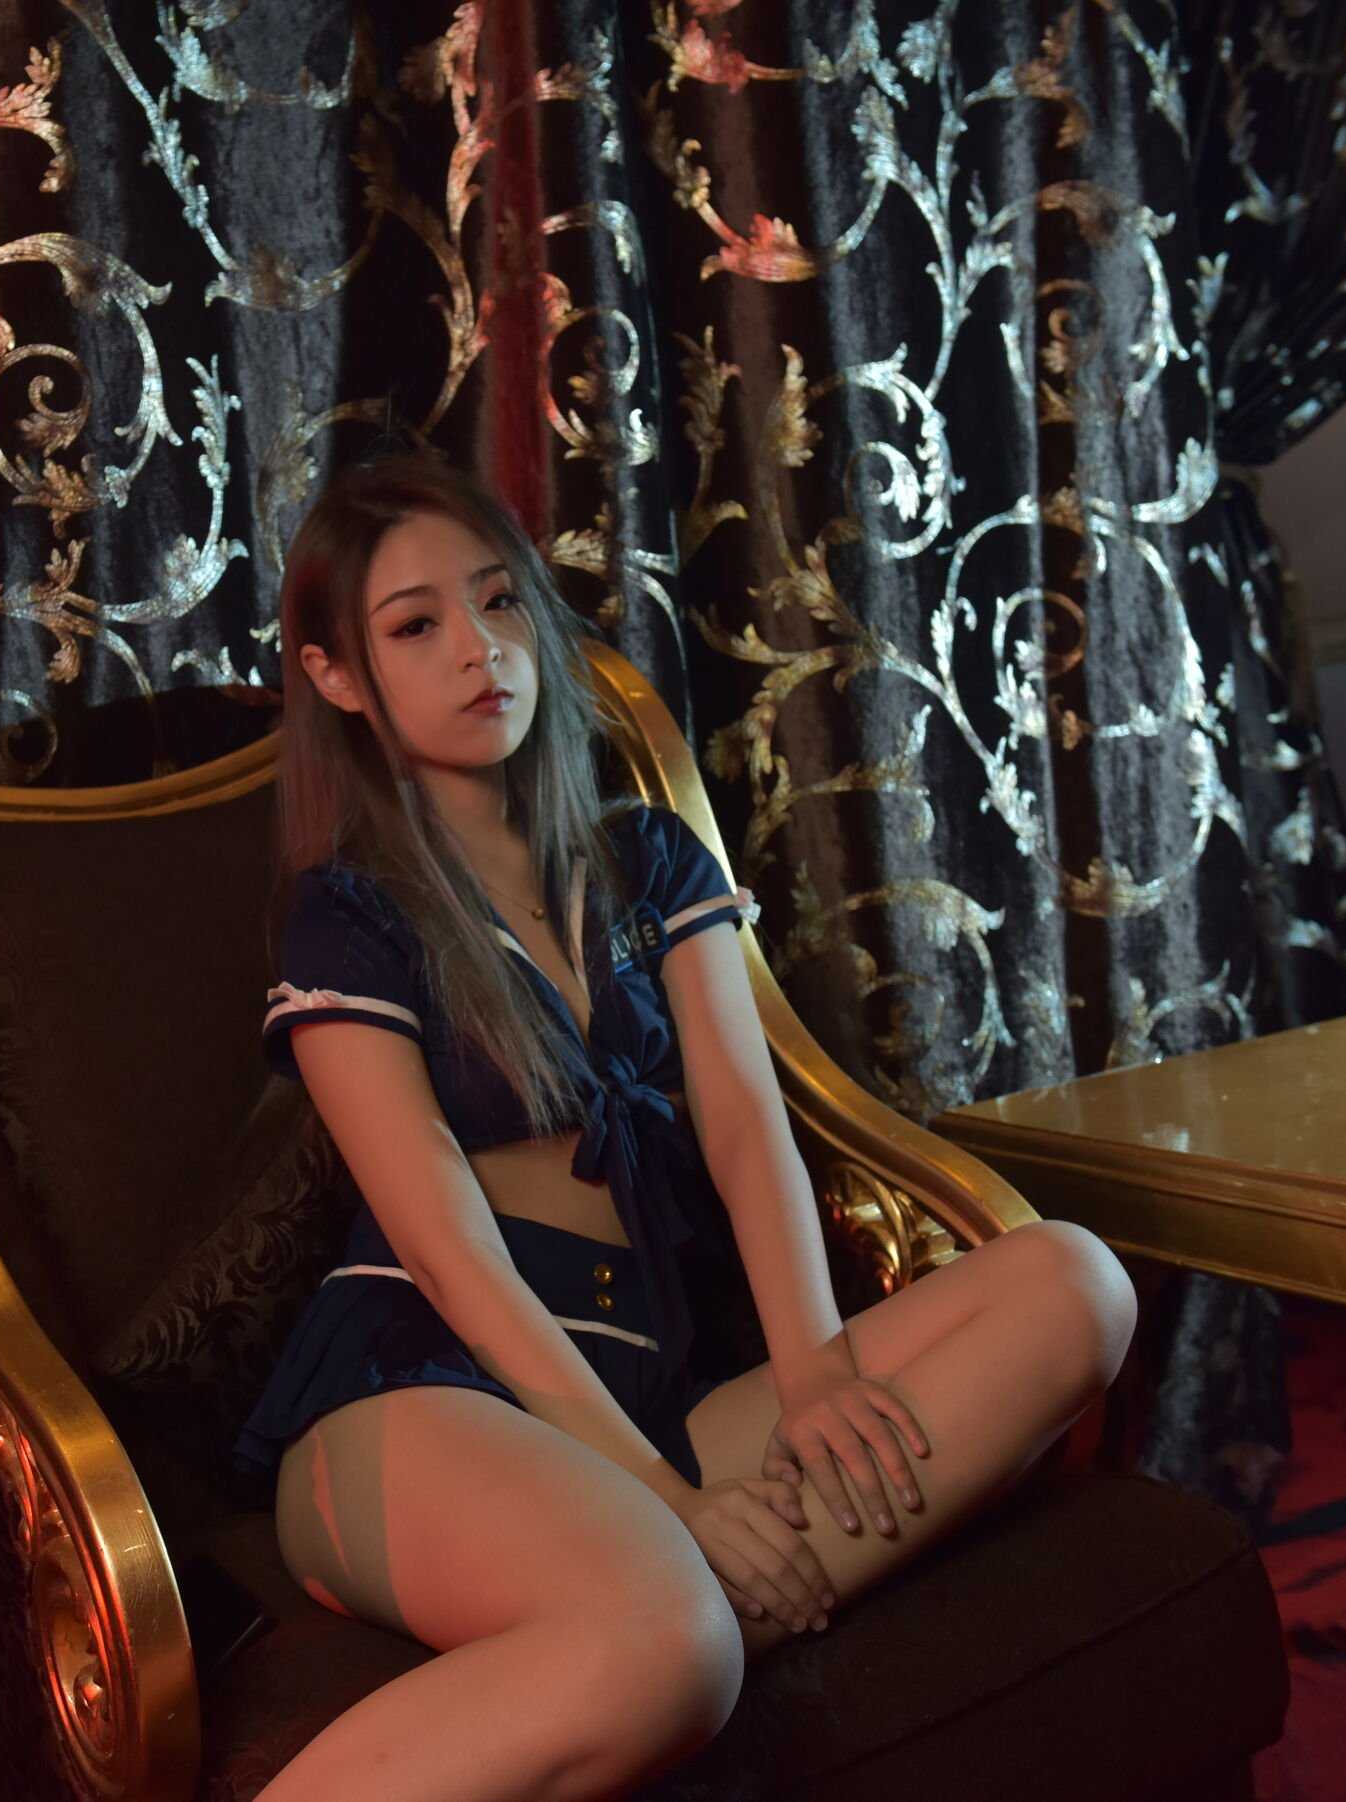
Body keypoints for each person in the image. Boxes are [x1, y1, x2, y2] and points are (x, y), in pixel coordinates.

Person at [229, 454, 1141, 1802]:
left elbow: (745, 1125)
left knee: (1076, 1281)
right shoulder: (351, 915)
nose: (480, 648)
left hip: (657, 1380)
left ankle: (689, 1606)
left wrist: (816, 1374)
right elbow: (447, 1250)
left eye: (499, 599)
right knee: (671, 1640)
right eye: (416, 626)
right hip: (419, 1392)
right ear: (339, 677)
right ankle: (677, 1611)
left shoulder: (648, 860)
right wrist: (669, 1498)